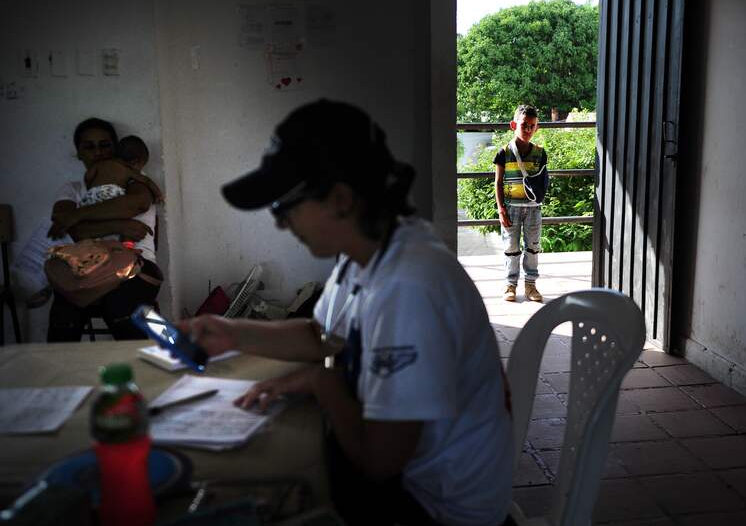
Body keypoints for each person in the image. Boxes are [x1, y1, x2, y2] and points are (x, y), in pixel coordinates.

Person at [182, 99, 513, 526]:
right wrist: (231, 332)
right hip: (406, 479)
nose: (281, 224)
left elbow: (380, 461)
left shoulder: (408, 287)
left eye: (284, 207)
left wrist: (322, 380)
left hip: (437, 507)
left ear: (340, 199)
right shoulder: (371, 250)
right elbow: (323, 336)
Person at [44, 118, 163, 342]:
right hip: (86, 267)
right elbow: (70, 229)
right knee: (64, 312)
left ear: (115, 148)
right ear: (78, 153)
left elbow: (136, 203)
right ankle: (65, 375)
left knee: (120, 306)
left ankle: (144, 371)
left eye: (104, 145)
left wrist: (77, 215)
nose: (97, 152)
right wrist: (121, 225)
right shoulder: (72, 188)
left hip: (137, 267)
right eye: (88, 146)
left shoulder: (134, 181)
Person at [493, 104, 547, 303]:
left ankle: (531, 285)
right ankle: (510, 284)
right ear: (513, 125)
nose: (528, 130)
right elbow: (498, 182)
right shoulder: (504, 152)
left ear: (537, 128)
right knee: (511, 247)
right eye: (524, 125)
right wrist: (501, 209)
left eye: (532, 126)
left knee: (533, 246)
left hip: (533, 209)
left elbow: (543, 181)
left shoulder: (541, 153)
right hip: (511, 208)